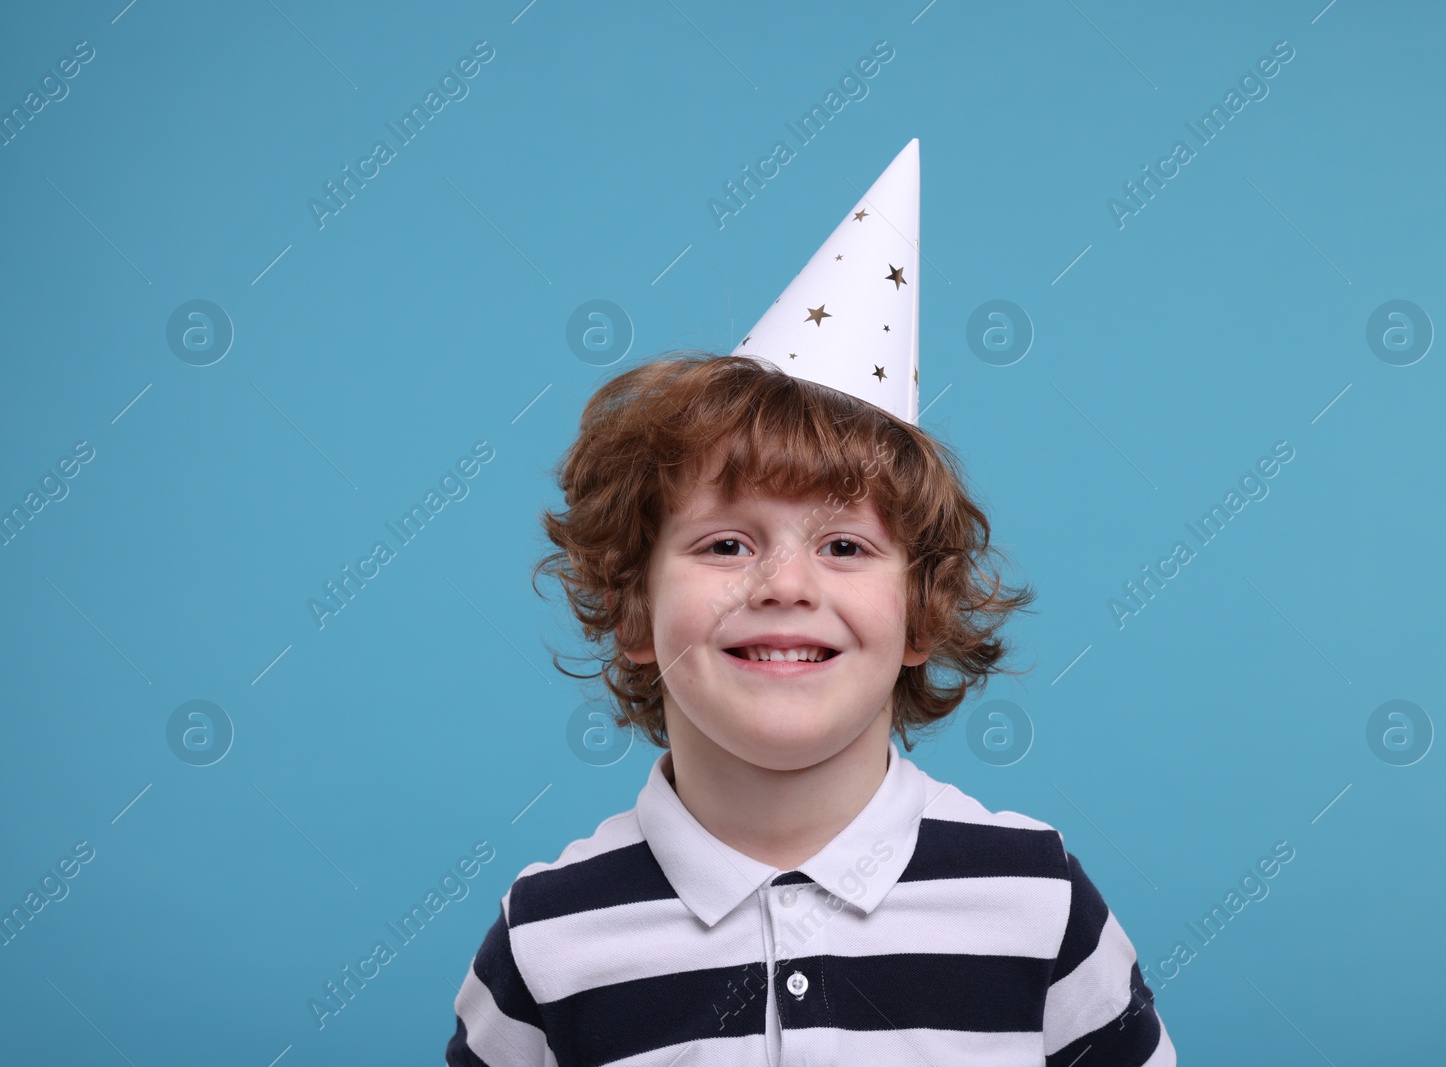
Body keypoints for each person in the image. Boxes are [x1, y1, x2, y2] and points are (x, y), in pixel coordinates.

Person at [445, 140, 1176, 1066]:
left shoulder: (1035, 902)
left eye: (843, 546)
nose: (785, 583)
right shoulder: (547, 939)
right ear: (633, 613)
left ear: (919, 615)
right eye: (725, 544)